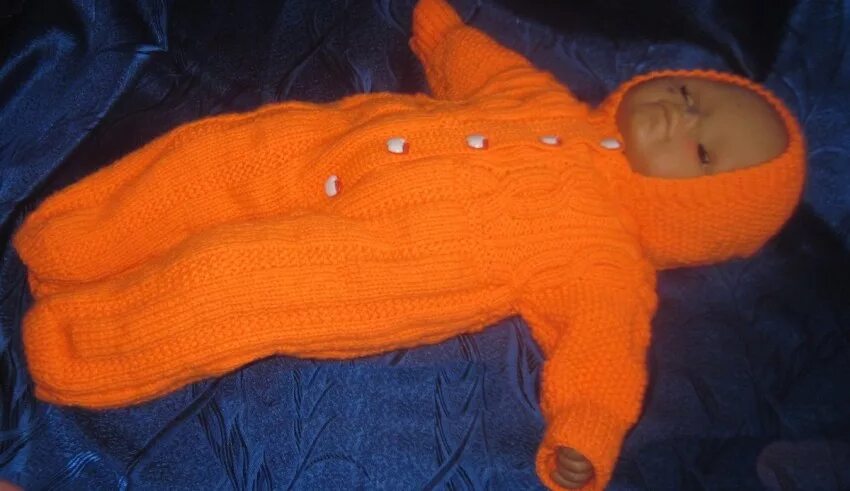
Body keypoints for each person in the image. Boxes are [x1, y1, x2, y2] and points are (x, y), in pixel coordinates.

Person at [11, 0, 805, 488]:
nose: (680, 117)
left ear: (703, 219)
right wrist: (440, 24)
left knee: (229, 280)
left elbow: (605, 356)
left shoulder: (607, 260)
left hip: (370, 263)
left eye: (704, 149)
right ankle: (72, 241)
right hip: (328, 146)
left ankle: (79, 341)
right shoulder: (547, 101)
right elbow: (476, 64)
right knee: (206, 161)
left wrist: (585, 434)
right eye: (693, 95)